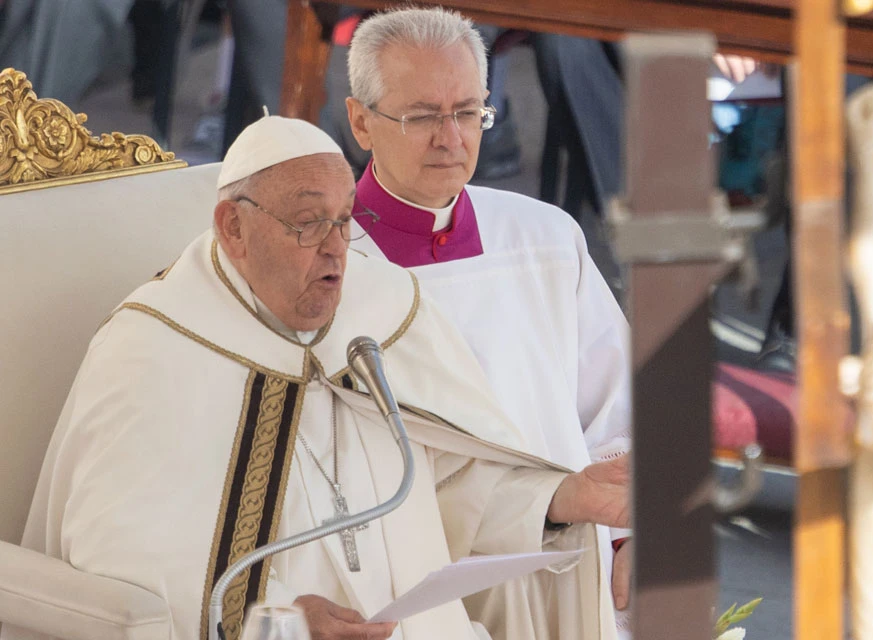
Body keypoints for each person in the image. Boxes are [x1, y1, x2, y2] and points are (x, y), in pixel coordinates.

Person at [1, 116, 628, 640]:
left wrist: (559, 498)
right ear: (233, 229)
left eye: (345, 218)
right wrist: (275, 623)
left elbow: (447, 486)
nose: (336, 248)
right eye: (307, 223)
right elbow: (120, 574)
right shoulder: (152, 350)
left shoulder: (380, 315)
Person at [342, 6, 634, 622]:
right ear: (360, 121)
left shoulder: (546, 239)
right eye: (421, 116)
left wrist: (630, 533)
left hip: (575, 564)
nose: (451, 138)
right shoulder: (330, 267)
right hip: (413, 581)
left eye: (469, 112)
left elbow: (616, 404)